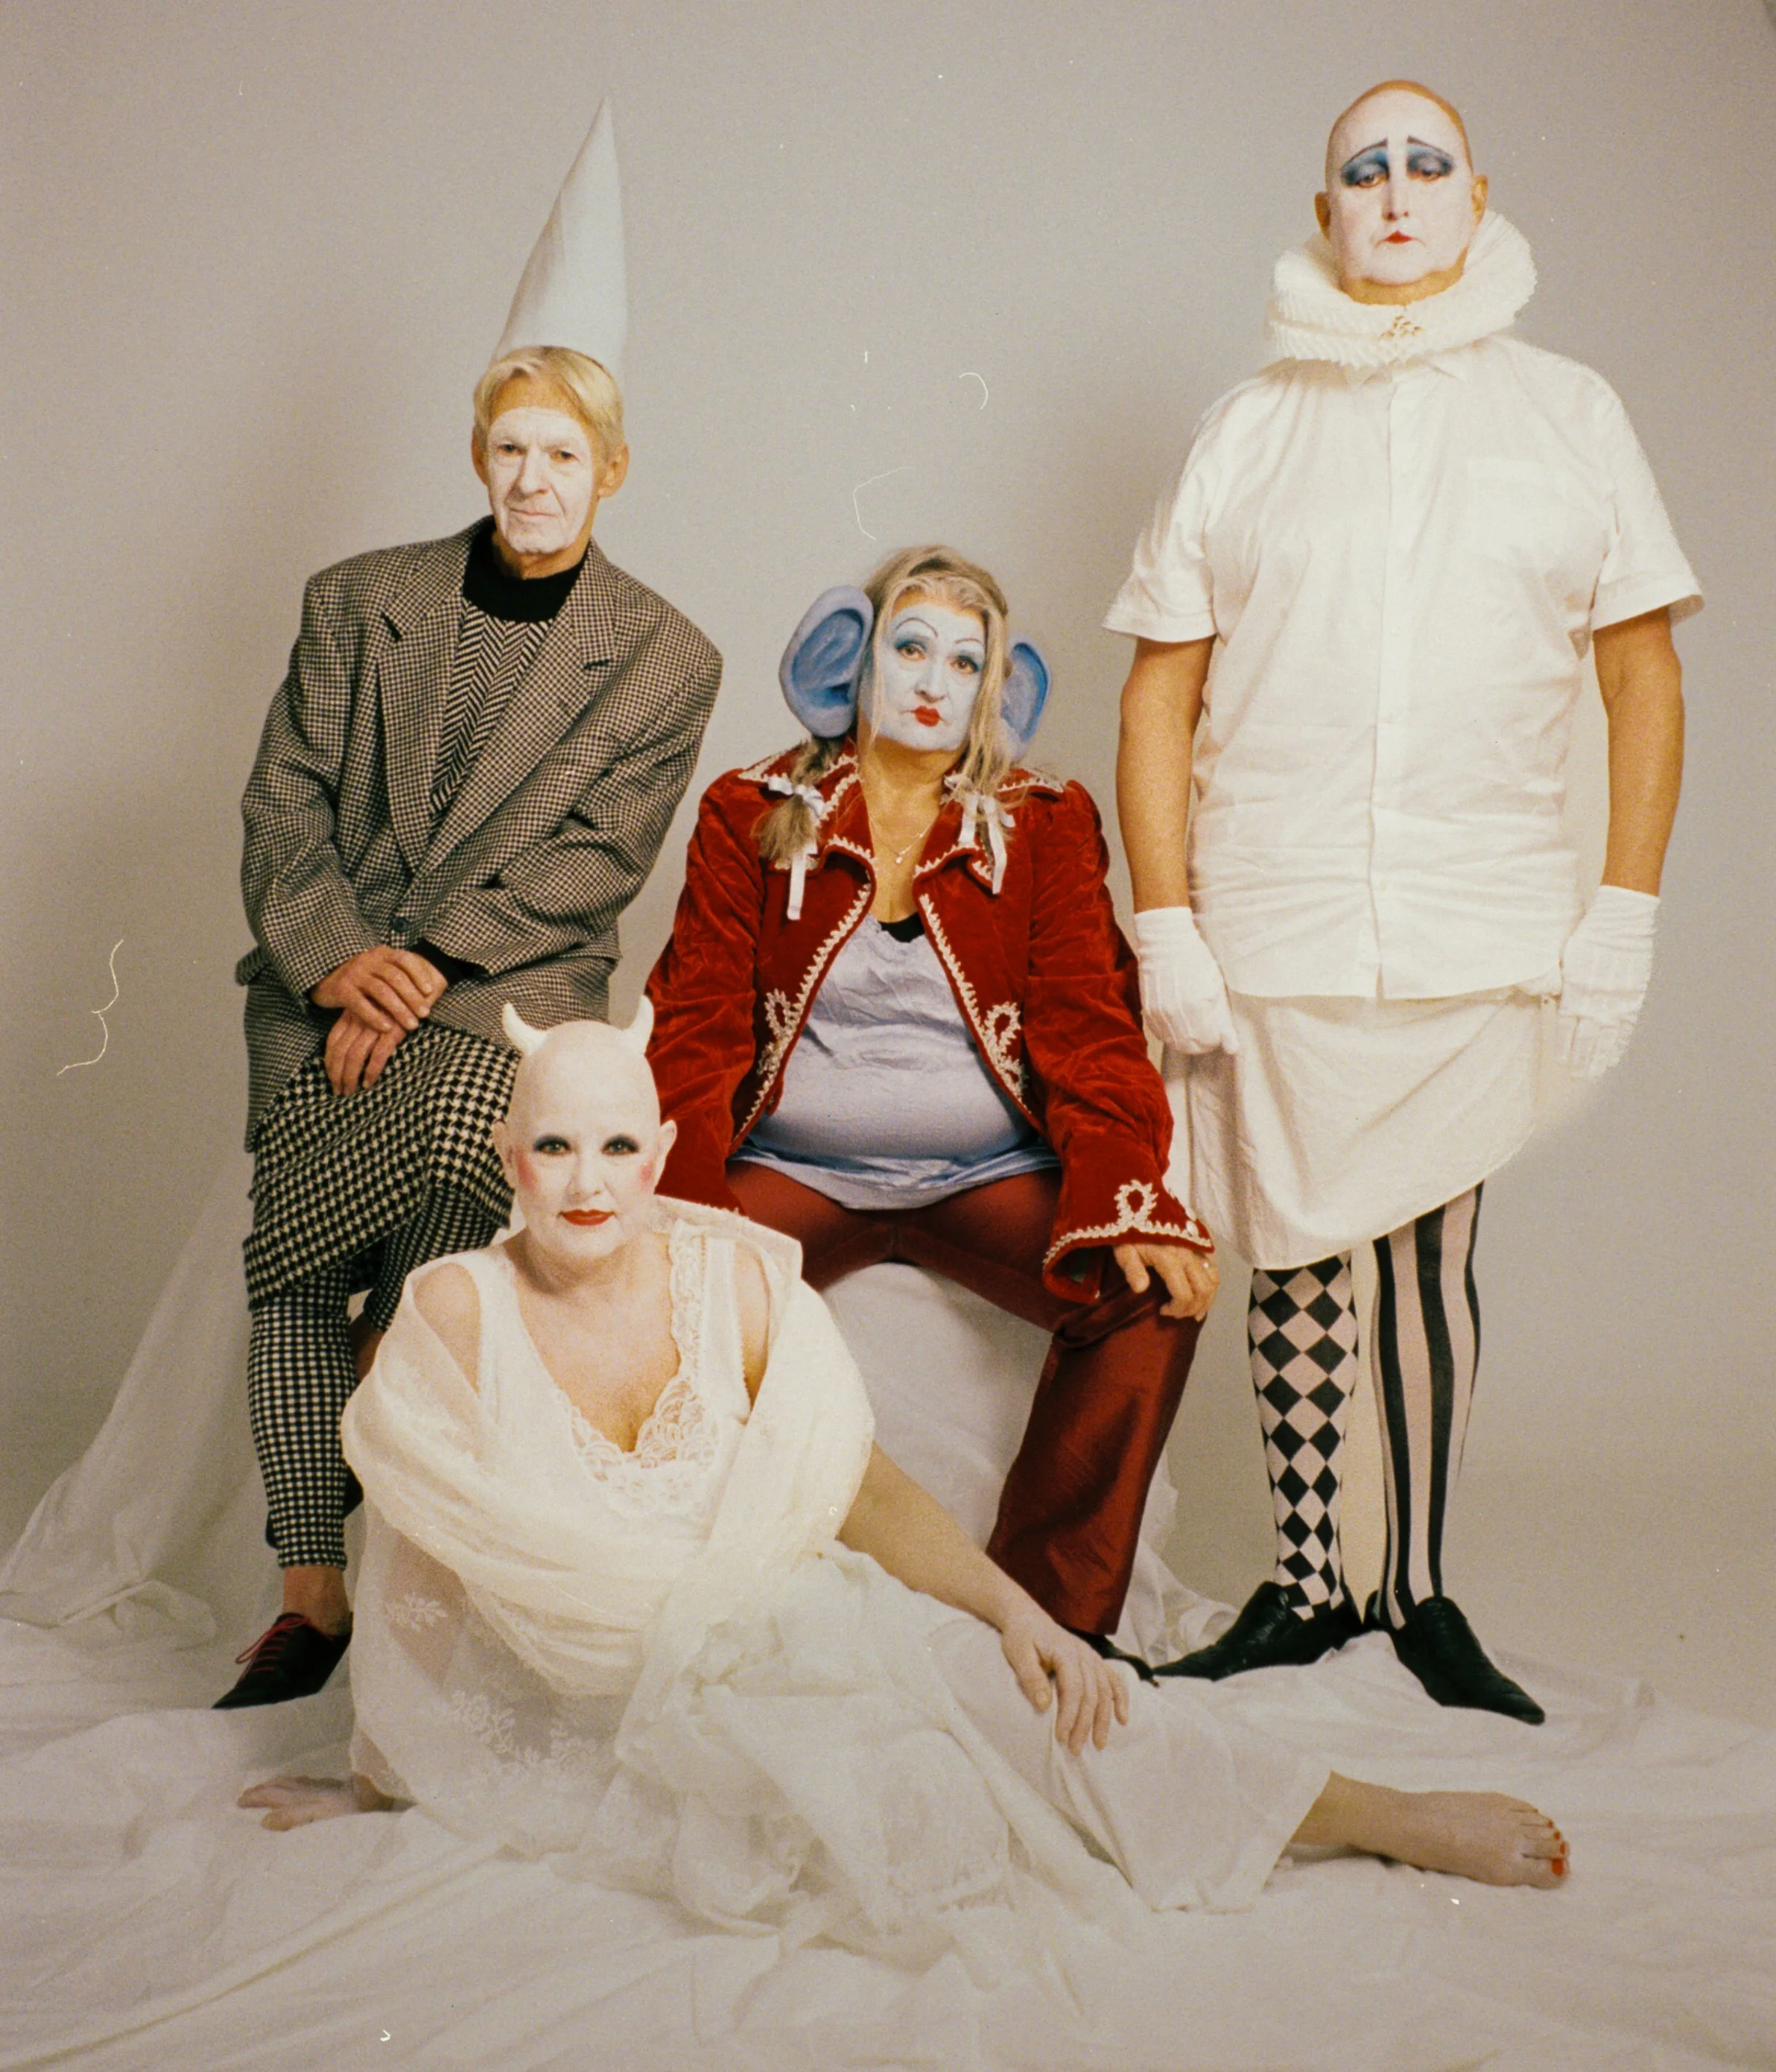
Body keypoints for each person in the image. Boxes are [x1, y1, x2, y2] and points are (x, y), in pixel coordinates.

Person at [240, 1004, 1571, 1949]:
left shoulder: (729, 1281)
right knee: (877, 1801)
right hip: (595, 1695)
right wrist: (382, 1766)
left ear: (657, 1156)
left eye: (614, 1150)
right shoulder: (455, 1313)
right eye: (552, 1149)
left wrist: (1019, 1616)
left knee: (1023, 1697)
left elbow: (856, 1492)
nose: (586, 1185)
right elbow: (416, 1572)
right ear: (505, 1160)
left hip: (778, 1618)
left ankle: (1367, 1811)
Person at [1111, 82, 1699, 1718]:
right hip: (1275, 908)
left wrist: (1622, 904)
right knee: (1293, 1252)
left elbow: (1642, 680)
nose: (1390, 191)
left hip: (1479, 911)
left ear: (1475, 196)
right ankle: (1310, 1585)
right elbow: (1159, 693)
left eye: (1421, 164)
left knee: (1428, 1254)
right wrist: (1165, 916)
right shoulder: (1249, 426)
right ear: (1322, 216)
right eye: (1358, 169)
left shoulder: (1569, 411)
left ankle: (1417, 1587)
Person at [220, 107, 722, 1708]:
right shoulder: (357, 601)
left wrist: (416, 972)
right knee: (294, 1261)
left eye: (563, 454)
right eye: (509, 447)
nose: (532, 476)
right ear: (477, 455)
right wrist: (339, 962)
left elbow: (592, 857)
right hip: (321, 993)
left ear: (612, 470)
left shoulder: (662, 657)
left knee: (456, 1150)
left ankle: (383, 1454)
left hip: (496, 999)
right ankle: (312, 1585)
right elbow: (283, 799)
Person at [643, 546, 1217, 1650]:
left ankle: (1042, 1627)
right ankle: (706, 1616)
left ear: (998, 687)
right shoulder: (751, 810)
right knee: (661, 1312)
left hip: (983, 1173)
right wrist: (682, 1210)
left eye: (967, 660)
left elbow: (1090, 1026)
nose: (934, 680)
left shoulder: (1045, 818)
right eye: (911, 646)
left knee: (1148, 1292)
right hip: (796, 1169)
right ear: (851, 660)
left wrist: (1129, 1193)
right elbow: (697, 1022)